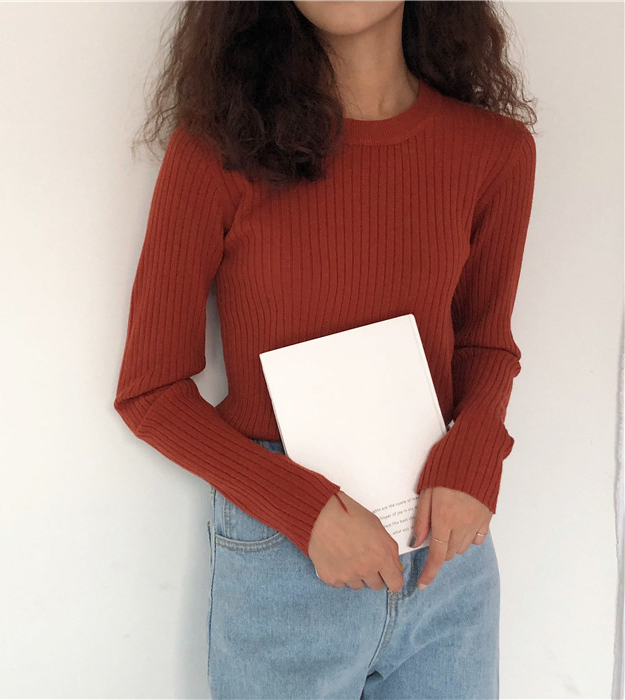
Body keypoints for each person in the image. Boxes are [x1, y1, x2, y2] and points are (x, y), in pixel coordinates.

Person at [113, 1, 538, 697]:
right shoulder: (220, 151)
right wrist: (303, 512)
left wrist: (476, 454)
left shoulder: (494, 150)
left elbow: (485, 341)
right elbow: (150, 391)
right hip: (286, 550)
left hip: (444, 550)